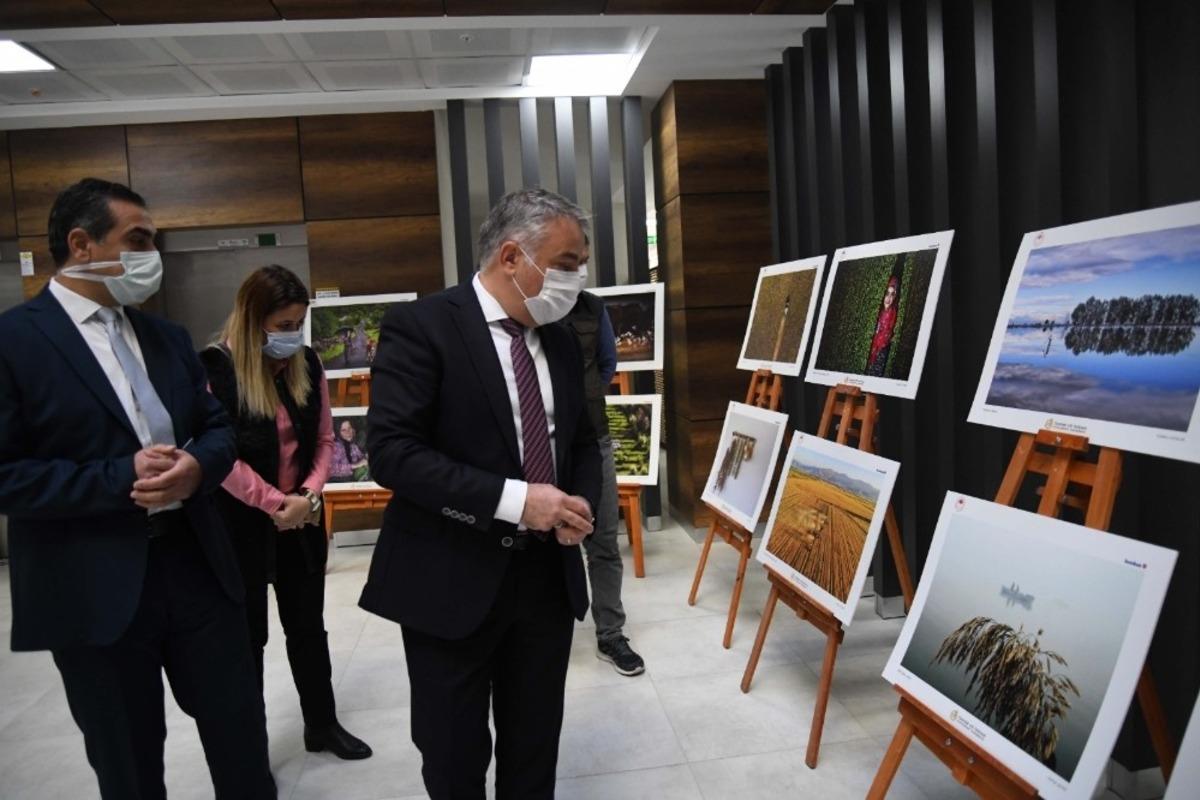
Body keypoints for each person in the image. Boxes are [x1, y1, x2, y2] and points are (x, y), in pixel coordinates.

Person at [0, 178, 275, 798]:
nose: (153, 255)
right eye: (139, 240)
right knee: (128, 761)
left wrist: (197, 466)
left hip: (196, 565)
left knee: (240, 737)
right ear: (81, 244)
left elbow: (218, 429)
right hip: (92, 582)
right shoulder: (14, 343)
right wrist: (120, 475)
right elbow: (7, 475)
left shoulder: (165, 337)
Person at [358, 188, 601, 800]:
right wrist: (517, 501)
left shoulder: (561, 337)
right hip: (449, 576)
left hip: (545, 579)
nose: (576, 279)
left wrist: (579, 502)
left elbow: (580, 440)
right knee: (453, 754)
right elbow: (393, 453)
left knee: (534, 747)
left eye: (580, 264)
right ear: (512, 256)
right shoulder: (423, 327)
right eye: (566, 263)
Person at [199, 265, 372, 761]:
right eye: (283, 325)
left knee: (308, 630)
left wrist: (309, 497)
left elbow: (324, 440)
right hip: (240, 523)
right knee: (246, 638)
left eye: (299, 323)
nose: (293, 335)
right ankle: (249, 748)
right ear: (253, 319)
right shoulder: (214, 369)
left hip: (301, 518)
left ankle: (322, 725)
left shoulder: (307, 363)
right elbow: (219, 457)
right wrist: (276, 504)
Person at [564, 291, 646, 676]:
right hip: (541, 443)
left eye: (580, 263)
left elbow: (607, 363)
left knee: (604, 540)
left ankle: (610, 633)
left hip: (594, 436)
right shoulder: (526, 304)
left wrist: (583, 400)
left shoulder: (592, 308)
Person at [866, 275, 900, 376]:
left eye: (892, 295)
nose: (888, 298)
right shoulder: (879, 312)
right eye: (887, 294)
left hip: (880, 353)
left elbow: (887, 336)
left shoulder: (892, 313)